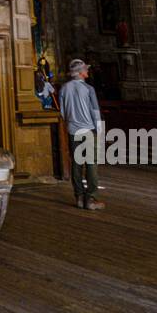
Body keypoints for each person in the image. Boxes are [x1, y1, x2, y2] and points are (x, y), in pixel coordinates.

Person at [59, 59, 104, 211]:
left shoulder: (64, 89)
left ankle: (78, 196)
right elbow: (95, 111)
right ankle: (91, 198)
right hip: (88, 130)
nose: (87, 71)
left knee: (77, 164)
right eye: (85, 69)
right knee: (91, 163)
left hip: (72, 130)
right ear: (80, 72)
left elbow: (63, 113)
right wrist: (100, 130)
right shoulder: (88, 89)